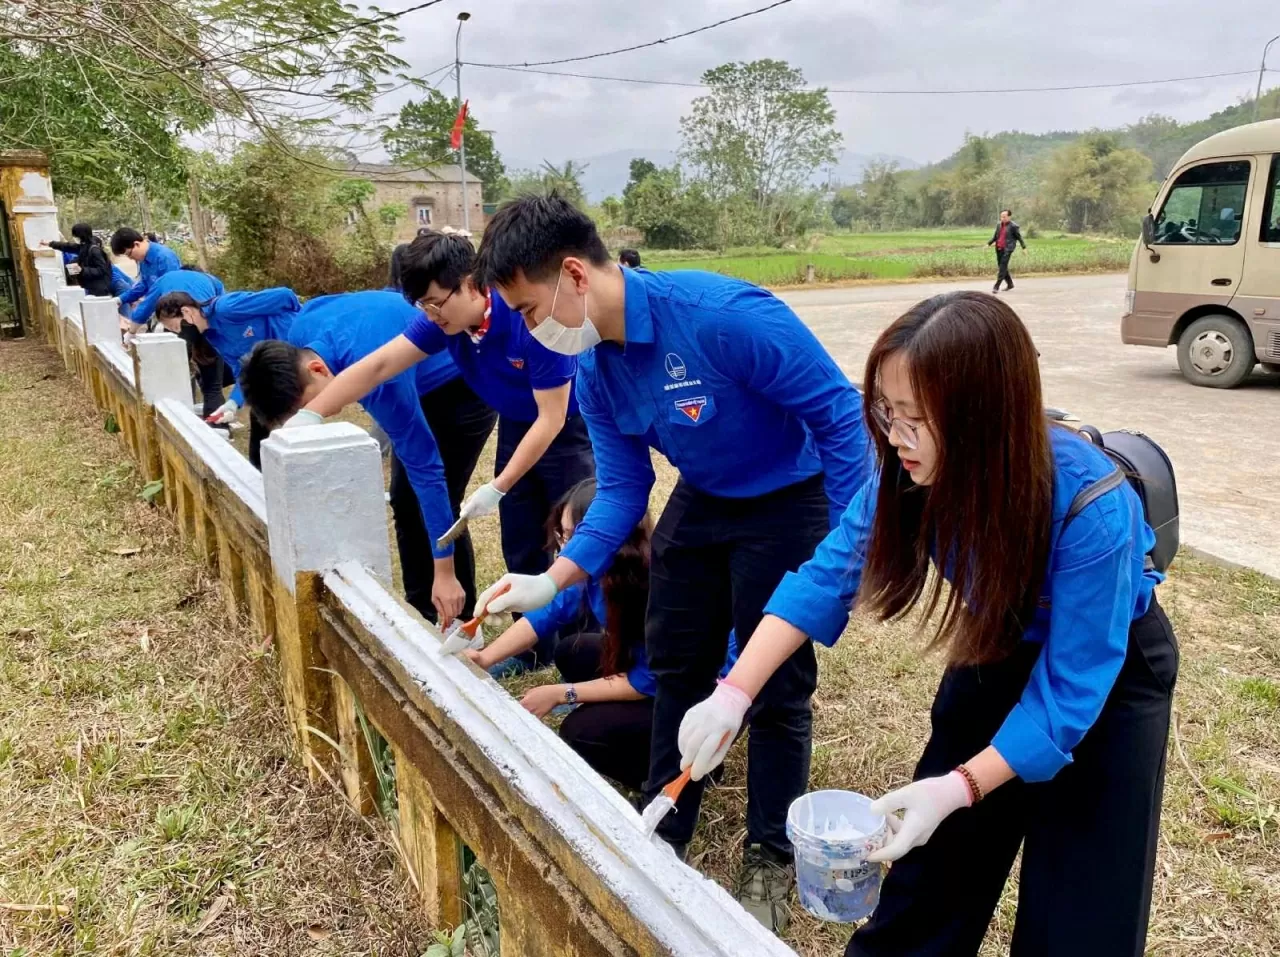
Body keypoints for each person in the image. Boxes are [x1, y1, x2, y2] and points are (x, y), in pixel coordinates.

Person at [678, 291, 1178, 957]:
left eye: (915, 418)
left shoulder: (1092, 505)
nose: (894, 437)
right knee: (930, 881)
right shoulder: (907, 477)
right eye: (887, 413)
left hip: (1110, 675)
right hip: (998, 641)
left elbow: (1067, 696)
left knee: (1082, 915)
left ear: (985, 419)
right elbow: (824, 577)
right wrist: (733, 693)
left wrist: (961, 785)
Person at [470, 193, 874, 933]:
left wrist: (849, 547)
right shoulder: (596, 367)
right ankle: (665, 820)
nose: (531, 330)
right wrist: (552, 579)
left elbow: (842, 420)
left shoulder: (723, 317)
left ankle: (769, 853)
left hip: (790, 493)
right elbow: (624, 489)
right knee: (678, 655)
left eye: (528, 310)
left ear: (572, 275)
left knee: (776, 684)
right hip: (707, 494)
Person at [294, 231, 595, 667]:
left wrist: (498, 484)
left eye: (437, 302)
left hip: (565, 424)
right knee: (521, 538)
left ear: (472, 282)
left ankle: (583, 652)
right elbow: (378, 364)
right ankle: (532, 649)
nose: (431, 315)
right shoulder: (446, 320)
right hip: (517, 419)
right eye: (423, 306)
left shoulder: (527, 321)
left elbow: (551, 418)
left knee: (572, 535)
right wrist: (311, 415)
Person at [238, 290, 468, 629]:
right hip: (394, 358)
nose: (321, 413)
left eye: (312, 408)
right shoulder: (300, 333)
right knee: (405, 502)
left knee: (437, 497)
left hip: (455, 385)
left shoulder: (379, 380)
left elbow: (426, 469)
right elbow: (319, 304)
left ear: (317, 368)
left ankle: (460, 612)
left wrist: (444, 571)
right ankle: (422, 609)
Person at [153, 287, 302, 468]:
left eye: (176, 327)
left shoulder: (226, 308)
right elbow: (243, 371)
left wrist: (299, 322)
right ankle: (259, 474)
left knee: (299, 417)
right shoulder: (214, 337)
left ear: (186, 312)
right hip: (274, 367)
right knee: (259, 420)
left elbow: (285, 296)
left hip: (299, 351)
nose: (179, 333)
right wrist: (232, 403)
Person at [110, 227, 182, 327]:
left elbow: (169, 292)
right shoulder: (143, 260)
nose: (130, 258)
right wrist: (121, 299)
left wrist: (137, 319)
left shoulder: (165, 258)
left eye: (129, 254)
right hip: (159, 311)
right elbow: (144, 284)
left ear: (136, 244)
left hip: (174, 312)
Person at [43, 225, 112, 297]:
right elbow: (67, 246)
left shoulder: (94, 250)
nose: (75, 238)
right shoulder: (83, 246)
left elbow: (102, 270)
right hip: (88, 286)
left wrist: (82, 270)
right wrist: (50, 244)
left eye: (76, 235)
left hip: (98, 290)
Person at [986, 209, 1026, 293]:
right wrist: (988, 244)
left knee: (1002, 267)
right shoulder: (998, 225)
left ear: (1009, 217)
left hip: (1008, 249)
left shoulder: (1014, 226)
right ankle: (1010, 284)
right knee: (1002, 267)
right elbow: (995, 237)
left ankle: (996, 286)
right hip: (999, 248)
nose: (1002, 218)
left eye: (1004, 216)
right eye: (1001, 217)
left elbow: (1019, 238)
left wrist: (1024, 248)